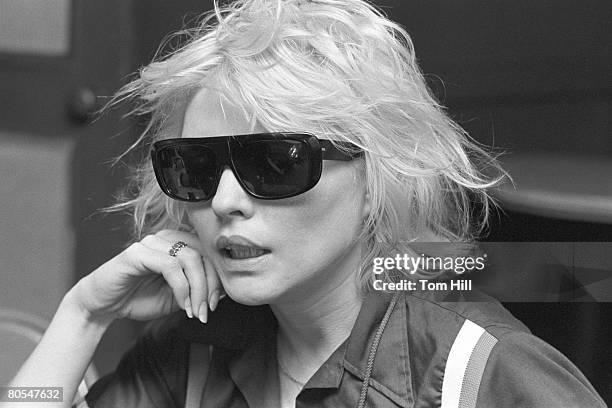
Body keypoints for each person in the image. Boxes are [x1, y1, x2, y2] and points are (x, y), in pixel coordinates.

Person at [5, 0, 606, 407]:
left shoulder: (480, 375)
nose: (225, 200)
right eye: (195, 167)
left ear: (379, 173)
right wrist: (82, 317)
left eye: (276, 162)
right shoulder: (197, 349)